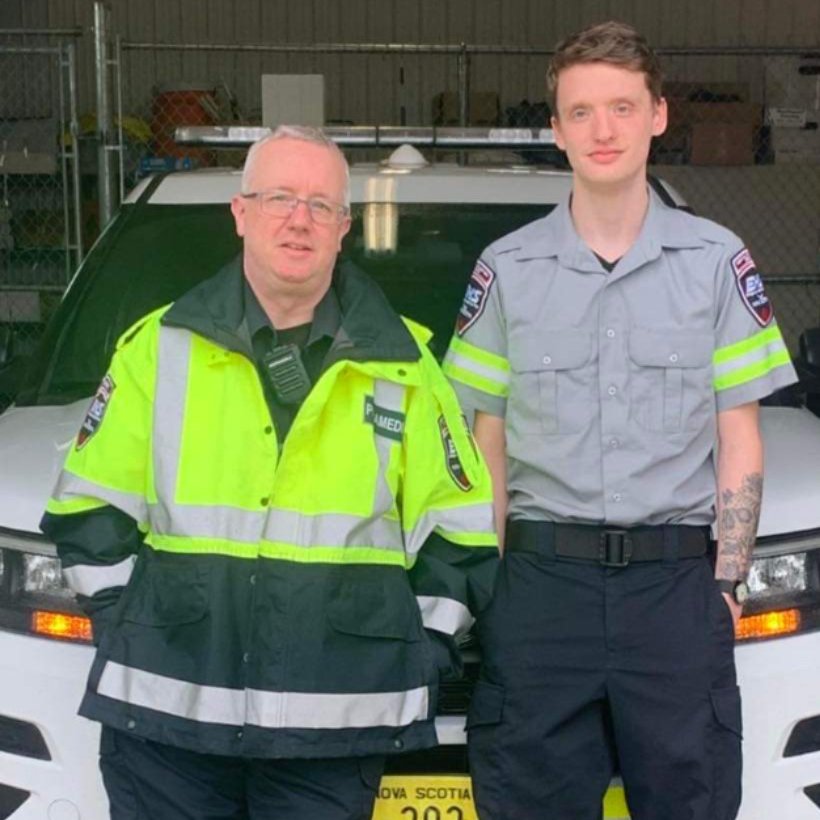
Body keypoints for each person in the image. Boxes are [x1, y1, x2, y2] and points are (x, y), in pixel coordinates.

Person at [41, 125, 498, 820]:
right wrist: (135, 623)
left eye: (320, 204)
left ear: (345, 227)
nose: (298, 219)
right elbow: (88, 510)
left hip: (334, 727)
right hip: (168, 721)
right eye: (280, 196)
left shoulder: (408, 367)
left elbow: (459, 533)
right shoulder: (157, 350)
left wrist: (420, 650)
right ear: (241, 212)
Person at [444, 21, 797, 820]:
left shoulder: (716, 263)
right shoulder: (507, 270)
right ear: (556, 130)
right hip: (541, 590)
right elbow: (485, 444)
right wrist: (492, 585)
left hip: (674, 591)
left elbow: (739, 432)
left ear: (658, 116)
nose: (603, 130)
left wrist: (726, 581)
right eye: (581, 112)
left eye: (622, 108)